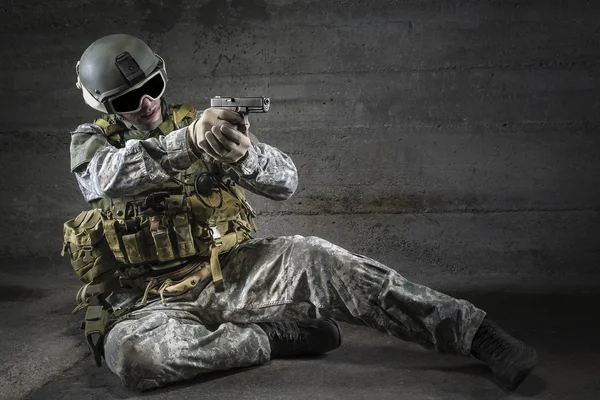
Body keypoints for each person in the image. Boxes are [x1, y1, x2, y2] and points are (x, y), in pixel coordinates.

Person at [66, 34, 537, 392]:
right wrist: (185, 143)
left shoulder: (200, 124)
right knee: (133, 360)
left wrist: (244, 155)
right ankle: (272, 337)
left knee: (317, 256)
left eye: (152, 88)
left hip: (225, 273)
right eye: (128, 100)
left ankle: (476, 334)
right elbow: (104, 178)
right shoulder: (93, 143)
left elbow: (287, 183)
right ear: (103, 105)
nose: (146, 103)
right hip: (143, 300)